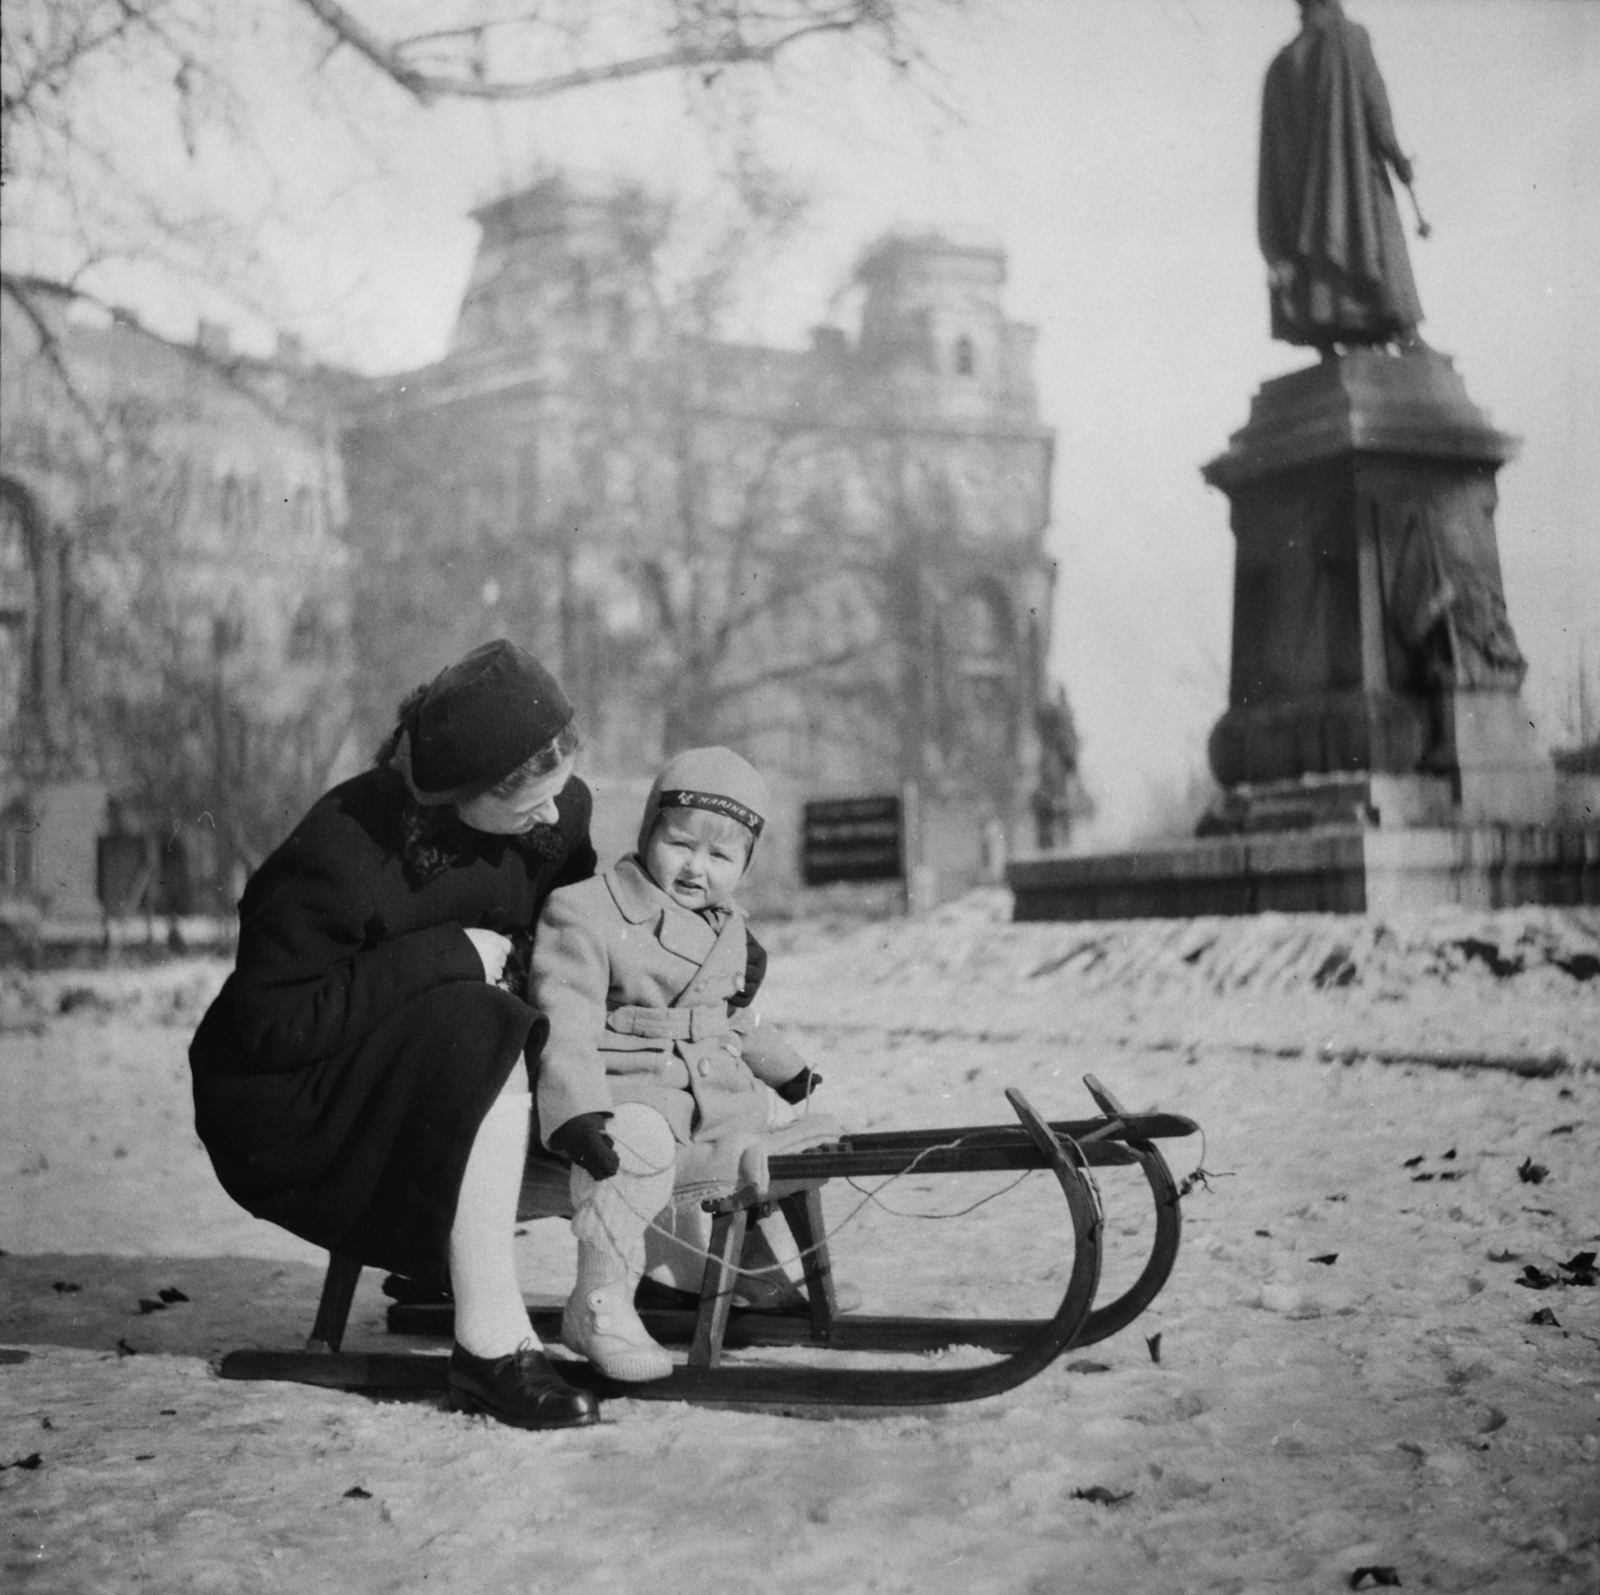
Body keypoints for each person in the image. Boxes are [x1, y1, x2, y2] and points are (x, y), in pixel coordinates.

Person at [189, 639, 601, 1430]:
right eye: (529, 803)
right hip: (296, 1101)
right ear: (462, 793)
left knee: (583, 1006)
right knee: (482, 1022)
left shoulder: (557, 811)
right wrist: (449, 955)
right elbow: (271, 1025)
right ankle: (491, 1345)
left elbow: (577, 933)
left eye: (558, 791)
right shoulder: (344, 848)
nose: (553, 814)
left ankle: (674, 1267)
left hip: (431, 1059)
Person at [531, 746, 837, 1382]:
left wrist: (787, 1070)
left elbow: (732, 1017)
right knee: (639, 1143)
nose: (697, 869)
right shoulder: (588, 910)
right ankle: (600, 1300)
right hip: (629, 1094)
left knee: (762, 1150)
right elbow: (567, 1021)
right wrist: (578, 1110)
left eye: (721, 856)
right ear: (647, 834)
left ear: (744, 865)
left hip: (711, 1097)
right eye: (680, 845)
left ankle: (750, 1275)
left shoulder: (726, 927)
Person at [1258, 0, 1425, 354]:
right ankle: (1405, 334)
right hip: (1356, 184)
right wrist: (1396, 156)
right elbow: (1375, 103)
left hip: (1303, 211)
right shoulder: (1350, 38)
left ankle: (1328, 337)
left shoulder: (1280, 66)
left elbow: (1273, 167)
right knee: (1377, 238)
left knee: (1320, 242)